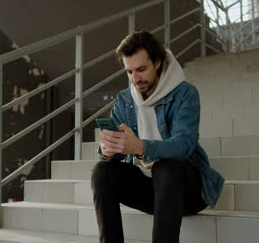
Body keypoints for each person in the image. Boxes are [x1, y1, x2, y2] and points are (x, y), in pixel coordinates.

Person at [91, 30, 225, 243]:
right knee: (102, 171)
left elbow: (184, 145)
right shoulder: (124, 101)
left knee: (165, 167)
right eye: (129, 72)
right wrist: (107, 151)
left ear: (158, 62)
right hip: (153, 193)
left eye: (142, 69)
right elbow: (115, 152)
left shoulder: (185, 94)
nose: (135, 79)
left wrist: (141, 147)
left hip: (187, 192)